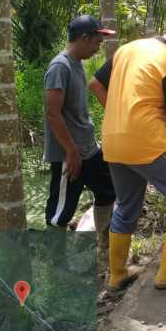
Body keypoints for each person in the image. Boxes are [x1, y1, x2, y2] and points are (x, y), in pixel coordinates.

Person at [89, 12, 166, 292]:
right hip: (147, 142)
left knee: (127, 204)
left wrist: (121, 116)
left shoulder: (128, 49)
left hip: (113, 140)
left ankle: (117, 274)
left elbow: (95, 84)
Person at [43, 15, 117, 264]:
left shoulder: (77, 64)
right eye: (96, 41)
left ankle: (104, 245)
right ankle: (54, 263)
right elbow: (53, 113)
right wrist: (71, 152)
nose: (98, 47)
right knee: (61, 211)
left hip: (88, 149)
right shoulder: (60, 66)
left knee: (108, 190)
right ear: (84, 38)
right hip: (69, 154)